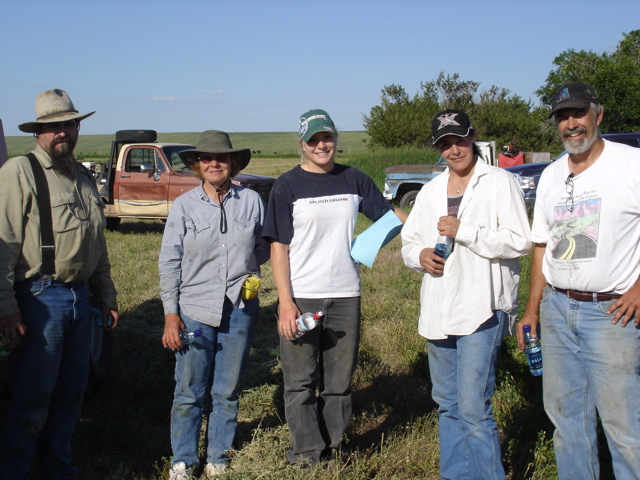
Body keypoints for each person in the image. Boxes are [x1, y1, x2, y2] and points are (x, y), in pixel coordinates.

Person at [262, 109, 407, 466]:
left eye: (326, 137)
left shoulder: (355, 179)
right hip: (302, 293)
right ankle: (306, 453)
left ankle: (334, 449)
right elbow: (278, 247)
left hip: (346, 294)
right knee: (299, 381)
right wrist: (285, 301)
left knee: (338, 382)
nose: (321, 144)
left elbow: (389, 219)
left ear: (335, 139)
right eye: (313, 139)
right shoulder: (287, 185)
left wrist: (366, 246)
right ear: (302, 144)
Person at [517, 82, 640, 479]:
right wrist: (532, 309)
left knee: (624, 429)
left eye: (578, 113)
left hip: (612, 314)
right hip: (556, 309)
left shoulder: (630, 165)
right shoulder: (551, 175)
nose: (571, 124)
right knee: (567, 424)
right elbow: (542, 246)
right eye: (562, 116)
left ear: (597, 115)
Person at [401, 109, 531, 479]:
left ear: (473, 137)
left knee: (474, 408)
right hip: (440, 308)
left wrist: (466, 230)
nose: (454, 149)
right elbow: (411, 242)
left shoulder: (499, 182)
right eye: (445, 144)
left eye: (459, 139)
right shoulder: (429, 192)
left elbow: (520, 242)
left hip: (482, 306)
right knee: (447, 404)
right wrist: (420, 256)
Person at [0, 89, 119, 479]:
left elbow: (96, 244)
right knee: (32, 400)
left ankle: (57, 470)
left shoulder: (83, 176)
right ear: (38, 132)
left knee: (70, 397)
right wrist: (6, 308)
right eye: (52, 127)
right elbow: (4, 244)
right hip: (38, 298)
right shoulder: (19, 172)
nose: (61, 133)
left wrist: (106, 295)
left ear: (77, 127)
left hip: (79, 298)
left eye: (68, 124)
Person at [159, 130, 269, 479]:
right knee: (189, 390)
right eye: (206, 158)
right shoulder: (184, 205)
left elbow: (267, 247)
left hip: (240, 308)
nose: (214, 163)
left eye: (221, 157)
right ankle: (183, 460)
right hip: (194, 309)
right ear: (197, 164)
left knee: (227, 389)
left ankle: (218, 458)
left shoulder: (251, 201)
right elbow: (169, 261)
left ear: (233, 162)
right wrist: (170, 314)